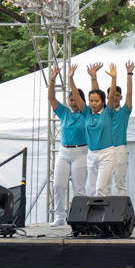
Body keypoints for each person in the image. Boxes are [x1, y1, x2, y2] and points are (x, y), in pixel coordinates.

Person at [47, 67, 88, 227]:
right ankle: (59, 217)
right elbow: (51, 98)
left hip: (81, 152)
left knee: (79, 189)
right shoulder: (64, 112)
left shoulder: (86, 113)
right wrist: (52, 80)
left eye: (75, 100)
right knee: (58, 185)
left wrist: (71, 79)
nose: (73, 102)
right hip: (64, 151)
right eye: (70, 100)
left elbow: (78, 98)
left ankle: (80, 217)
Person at [69, 63, 117, 197]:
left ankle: (105, 217)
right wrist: (70, 79)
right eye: (91, 101)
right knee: (95, 190)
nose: (93, 103)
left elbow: (112, 96)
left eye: (96, 101)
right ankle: (103, 216)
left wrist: (114, 78)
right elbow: (77, 96)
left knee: (101, 188)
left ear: (103, 102)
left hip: (106, 154)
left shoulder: (108, 113)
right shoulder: (87, 113)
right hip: (91, 155)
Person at [88, 61, 135, 196]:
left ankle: (121, 215)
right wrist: (93, 77)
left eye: (117, 95)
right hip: (105, 150)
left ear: (120, 97)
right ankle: (105, 214)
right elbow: (95, 93)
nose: (114, 97)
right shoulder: (104, 112)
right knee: (103, 185)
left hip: (119, 149)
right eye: (111, 96)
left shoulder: (124, 111)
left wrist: (129, 74)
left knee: (120, 184)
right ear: (107, 98)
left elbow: (130, 93)